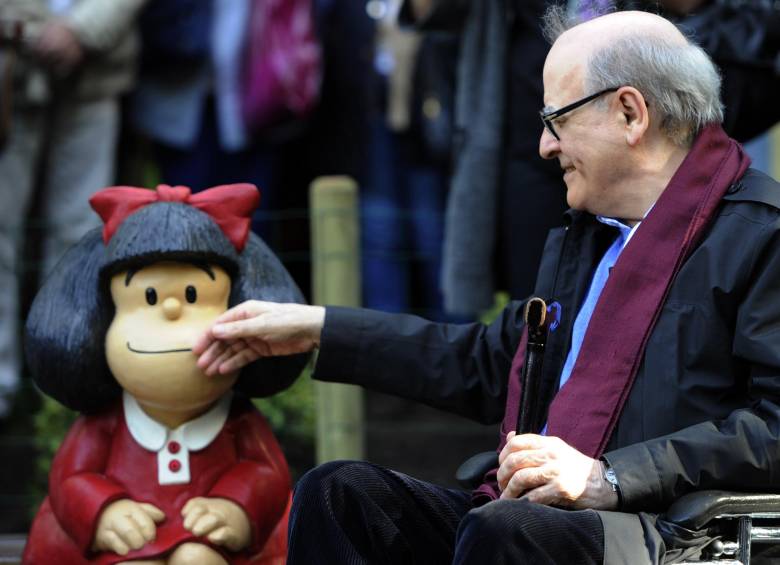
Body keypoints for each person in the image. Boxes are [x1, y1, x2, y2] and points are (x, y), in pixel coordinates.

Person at [194, 8, 780, 564]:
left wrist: (611, 476)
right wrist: (319, 328)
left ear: (630, 113)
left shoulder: (761, 235)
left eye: (556, 120)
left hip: (669, 534)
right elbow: (488, 362)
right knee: (340, 494)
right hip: (532, 519)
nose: (545, 146)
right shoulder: (590, 237)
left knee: (507, 530)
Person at [23, 184, 308, 564]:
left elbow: (266, 473)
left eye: (193, 295)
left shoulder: (237, 421)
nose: (171, 311)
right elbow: (71, 478)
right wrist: (103, 510)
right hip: (126, 548)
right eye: (149, 298)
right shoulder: (106, 424)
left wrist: (235, 506)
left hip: (216, 547)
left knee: (197, 559)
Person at [0, 0, 147, 417]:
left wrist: (83, 31)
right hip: (10, 69)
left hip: (95, 71)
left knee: (82, 232)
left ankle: (68, 383)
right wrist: (25, 29)